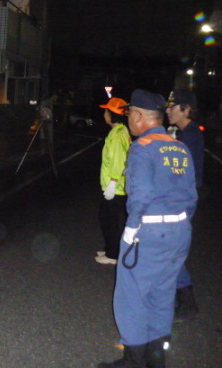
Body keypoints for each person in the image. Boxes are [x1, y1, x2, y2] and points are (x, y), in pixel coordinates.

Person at [98, 89, 197, 368]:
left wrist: (131, 230)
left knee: (131, 296)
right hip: (179, 232)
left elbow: (140, 195)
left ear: (139, 116)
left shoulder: (142, 147)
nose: (129, 118)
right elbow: (191, 196)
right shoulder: (179, 147)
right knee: (162, 294)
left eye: (130, 113)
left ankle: (133, 360)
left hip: (149, 233)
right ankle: (156, 359)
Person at [165, 89, 204, 322]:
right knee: (169, 248)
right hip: (181, 197)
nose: (168, 111)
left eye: (173, 107)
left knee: (170, 250)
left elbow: (186, 174)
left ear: (186, 109)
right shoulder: (183, 133)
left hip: (182, 199)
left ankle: (187, 302)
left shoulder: (191, 135)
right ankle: (178, 297)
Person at [95, 97, 131, 265]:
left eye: (106, 111)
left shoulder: (117, 135)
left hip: (116, 186)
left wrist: (112, 182)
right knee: (112, 218)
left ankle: (113, 254)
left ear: (112, 114)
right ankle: (112, 248)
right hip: (119, 185)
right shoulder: (121, 131)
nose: (104, 113)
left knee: (108, 218)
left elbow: (117, 161)